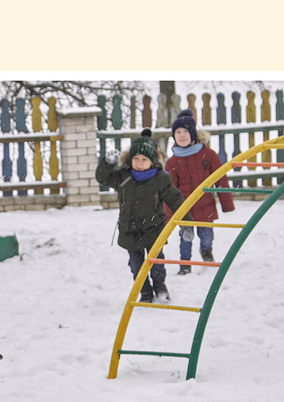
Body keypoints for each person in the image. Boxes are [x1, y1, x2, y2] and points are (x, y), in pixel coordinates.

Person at [95, 135, 180, 302]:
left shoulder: (160, 179)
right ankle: (145, 292)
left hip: (154, 230)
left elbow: (175, 199)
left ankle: (160, 288)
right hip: (130, 231)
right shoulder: (123, 177)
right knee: (136, 266)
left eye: (144, 159)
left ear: (153, 161)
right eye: (136, 159)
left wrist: (186, 224)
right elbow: (102, 178)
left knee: (156, 264)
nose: (139, 163)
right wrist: (107, 162)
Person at [160, 112, 230, 273]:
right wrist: (171, 215)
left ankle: (206, 252)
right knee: (186, 237)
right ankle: (185, 265)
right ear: (174, 136)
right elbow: (169, 190)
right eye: (178, 132)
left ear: (192, 133)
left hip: (206, 207)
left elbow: (221, 178)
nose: (182, 135)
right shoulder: (172, 162)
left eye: (185, 131)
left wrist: (226, 203)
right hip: (184, 210)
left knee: (207, 236)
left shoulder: (208, 154)